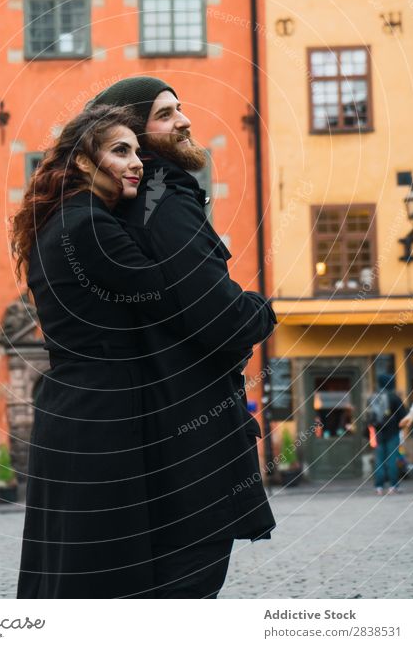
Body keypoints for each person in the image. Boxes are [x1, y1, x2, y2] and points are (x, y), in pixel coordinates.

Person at [89, 76, 277, 598]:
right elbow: (221, 318)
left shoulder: (128, 204)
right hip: (193, 440)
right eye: (165, 114)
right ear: (134, 134)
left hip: (156, 434)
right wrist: (262, 309)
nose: (184, 120)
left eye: (180, 108)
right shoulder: (165, 200)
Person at [11, 104, 183, 599]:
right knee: (103, 566)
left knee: (69, 561)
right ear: (86, 162)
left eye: (138, 152)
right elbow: (167, 293)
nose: (137, 163)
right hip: (101, 416)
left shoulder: (64, 220)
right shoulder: (88, 224)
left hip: (75, 408)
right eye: (121, 151)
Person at [367, 373, 407, 494]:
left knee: (379, 460)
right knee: (392, 459)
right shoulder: (394, 397)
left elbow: (368, 417)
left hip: (377, 433)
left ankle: (378, 487)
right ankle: (393, 486)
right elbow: (403, 416)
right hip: (392, 433)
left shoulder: (372, 397)